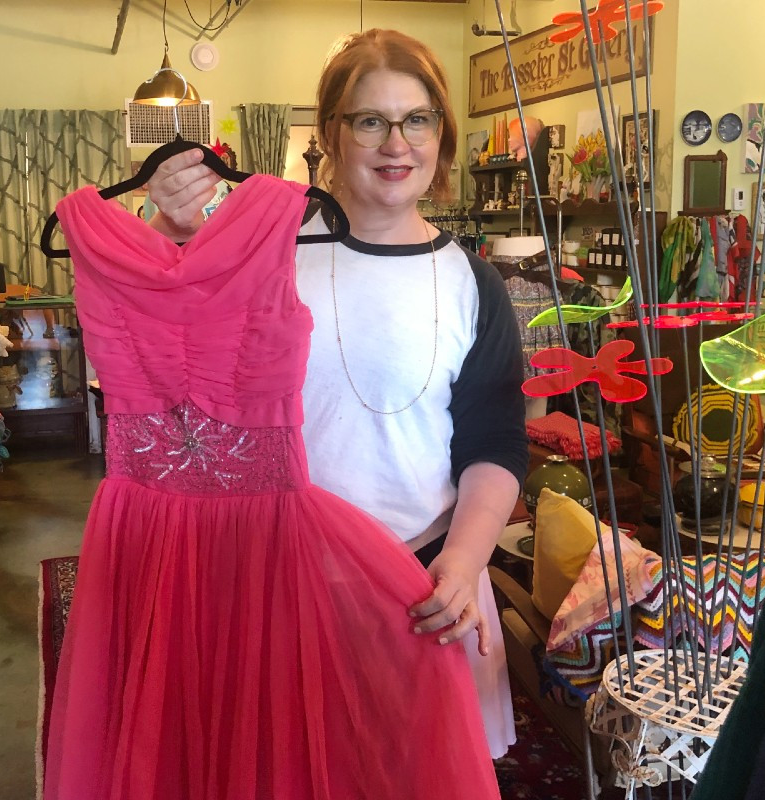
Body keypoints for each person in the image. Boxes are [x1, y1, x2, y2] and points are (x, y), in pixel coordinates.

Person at [147, 28, 528, 756]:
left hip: (429, 578)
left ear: (441, 135)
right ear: (331, 132)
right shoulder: (266, 251)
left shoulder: (473, 282)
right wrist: (170, 220)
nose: (397, 143)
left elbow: (495, 441)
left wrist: (470, 556)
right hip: (286, 580)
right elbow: (169, 334)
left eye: (417, 119)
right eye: (370, 120)